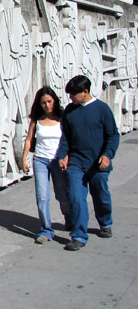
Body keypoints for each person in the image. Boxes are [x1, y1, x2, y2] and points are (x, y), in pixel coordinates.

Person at [57, 75, 120, 251]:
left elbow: (113, 135)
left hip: (98, 163)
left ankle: (105, 222)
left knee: (101, 195)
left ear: (85, 92)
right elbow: (65, 137)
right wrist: (62, 155)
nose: (70, 98)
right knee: (76, 198)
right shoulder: (69, 111)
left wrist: (107, 155)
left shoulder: (102, 109)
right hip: (76, 162)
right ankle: (78, 236)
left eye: (73, 94)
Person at [21, 87, 72, 244]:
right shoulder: (36, 120)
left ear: (54, 101)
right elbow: (29, 139)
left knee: (62, 195)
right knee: (42, 197)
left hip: (58, 161)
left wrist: (66, 157)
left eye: (49, 101)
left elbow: (68, 139)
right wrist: (24, 159)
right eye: (43, 103)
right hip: (41, 161)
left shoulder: (62, 118)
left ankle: (69, 218)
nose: (47, 105)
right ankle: (46, 230)